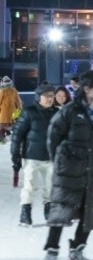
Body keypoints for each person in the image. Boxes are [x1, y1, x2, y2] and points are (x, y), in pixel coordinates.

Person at [43, 70, 93, 260]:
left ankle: (76, 251)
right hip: (68, 169)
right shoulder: (70, 111)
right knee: (61, 209)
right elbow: (53, 137)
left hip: (92, 169)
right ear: (87, 89)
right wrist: (61, 161)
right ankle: (51, 252)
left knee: (89, 212)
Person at [11, 84, 59, 227]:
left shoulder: (57, 112)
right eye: (47, 96)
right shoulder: (29, 112)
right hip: (32, 156)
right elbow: (17, 134)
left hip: (51, 157)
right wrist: (15, 154)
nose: (50, 99)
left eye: (52, 96)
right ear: (39, 97)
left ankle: (49, 212)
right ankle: (25, 214)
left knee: (50, 187)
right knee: (30, 186)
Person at [0, 76, 22, 144]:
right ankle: (13, 138)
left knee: (1, 128)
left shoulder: (2, 91)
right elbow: (18, 102)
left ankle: (2, 140)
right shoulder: (14, 91)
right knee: (12, 126)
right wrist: (19, 109)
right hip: (12, 113)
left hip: (3, 113)